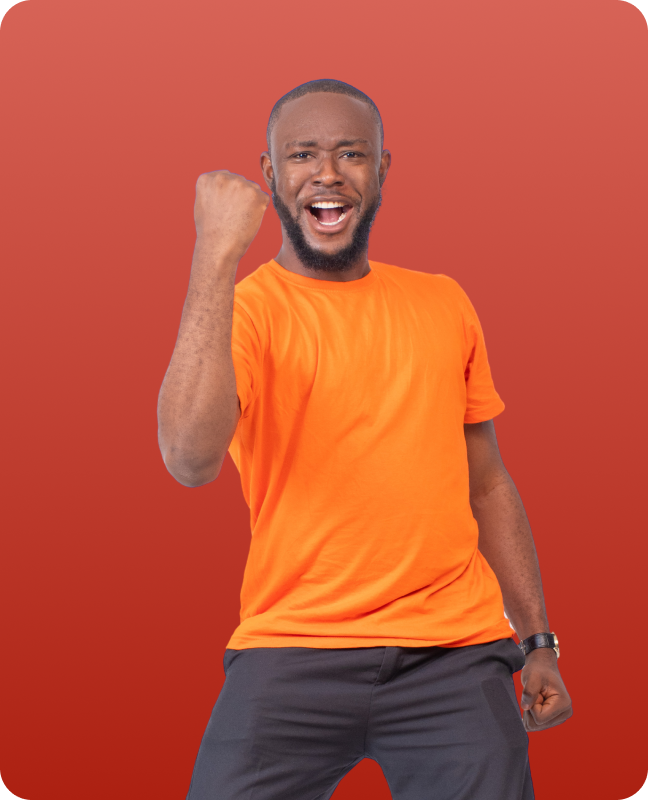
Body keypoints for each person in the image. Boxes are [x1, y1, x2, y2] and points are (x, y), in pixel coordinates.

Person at [157, 79, 572, 800]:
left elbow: (486, 483)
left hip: (454, 655)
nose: (327, 173)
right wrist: (215, 251)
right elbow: (190, 461)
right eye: (302, 155)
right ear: (270, 174)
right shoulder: (243, 311)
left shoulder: (443, 301)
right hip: (292, 648)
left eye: (351, 154)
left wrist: (538, 642)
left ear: (381, 170)